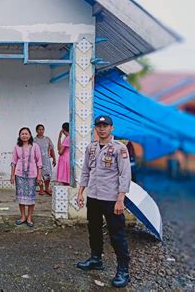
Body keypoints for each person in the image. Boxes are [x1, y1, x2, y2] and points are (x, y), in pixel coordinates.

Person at [76, 115, 132, 288]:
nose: (101, 129)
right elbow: (85, 170)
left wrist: (120, 199)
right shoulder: (91, 147)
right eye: (98, 126)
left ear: (111, 128)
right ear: (95, 128)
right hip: (93, 196)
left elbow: (125, 174)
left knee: (117, 234)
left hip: (111, 198)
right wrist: (80, 192)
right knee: (94, 229)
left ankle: (123, 270)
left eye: (105, 126)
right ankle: (95, 259)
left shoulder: (119, 148)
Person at [10, 127, 43, 227]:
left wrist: (39, 175)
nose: (24, 135)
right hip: (19, 175)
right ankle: (23, 216)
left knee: (31, 197)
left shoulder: (35, 146)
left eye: (26, 133)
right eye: (22, 134)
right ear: (19, 136)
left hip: (32, 175)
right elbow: (13, 162)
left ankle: (29, 217)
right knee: (21, 197)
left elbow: (39, 162)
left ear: (30, 135)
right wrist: (12, 175)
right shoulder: (17, 147)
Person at [33, 124, 56, 195]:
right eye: (39, 129)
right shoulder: (34, 140)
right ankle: (41, 189)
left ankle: (47, 188)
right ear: (36, 130)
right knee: (39, 175)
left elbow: (51, 149)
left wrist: (54, 159)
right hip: (37, 160)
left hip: (46, 160)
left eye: (42, 129)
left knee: (47, 175)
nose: (41, 131)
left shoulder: (47, 139)